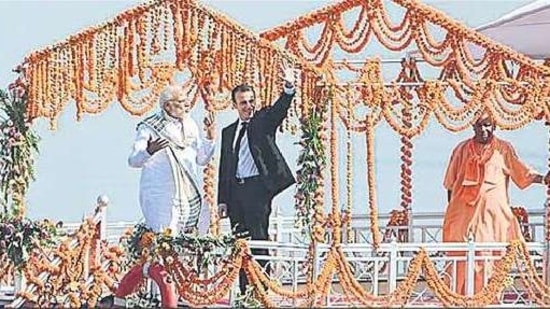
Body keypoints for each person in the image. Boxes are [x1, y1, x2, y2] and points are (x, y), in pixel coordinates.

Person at [442, 111, 550, 295]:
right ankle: (458, 298)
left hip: (492, 218)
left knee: (489, 258)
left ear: (494, 126)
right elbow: (450, 184)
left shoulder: (503, 149)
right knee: (461, 258)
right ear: (472, 127)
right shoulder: (461, 149)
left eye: (487, 125)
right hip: (463, 217)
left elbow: (522, 172)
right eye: (480, 126)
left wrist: (543, 179)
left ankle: (488, 298)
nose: (484, 130)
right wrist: (453, 212)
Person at [217, 67, 296, 294]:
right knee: (240, 242)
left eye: (251, 101)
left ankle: (261, 289)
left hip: (257, 190)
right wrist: (222, 200)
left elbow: (278, 111)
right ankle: (245, 291)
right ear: (235, 105)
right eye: (243, 103)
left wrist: (288, 89)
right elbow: (225, 168)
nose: (248, 106)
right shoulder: (228, 132)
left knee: (259, 237)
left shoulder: (261, 121)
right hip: (236, 192)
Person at [128, 85, 216, 235]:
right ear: (168, 106)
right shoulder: (149, 127)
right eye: (182, 101)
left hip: (188, 194)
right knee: (164, 242)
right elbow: (133, 161)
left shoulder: (190, 124)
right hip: (161, 197)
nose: (187, 104)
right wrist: (149, 151)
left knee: (191, 240)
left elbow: (202, 159)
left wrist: (209, 136)